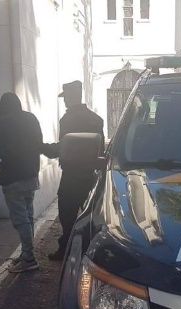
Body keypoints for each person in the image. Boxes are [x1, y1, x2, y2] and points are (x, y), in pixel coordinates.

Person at [42, 81, 105, 261]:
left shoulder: (67, 120)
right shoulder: (96, 119)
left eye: (65, 98)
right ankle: (92, 250)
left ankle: (66, 250)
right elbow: (100, 149)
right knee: (92, 216)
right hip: (91, 176)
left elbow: (62, 148)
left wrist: (41, 147)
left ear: (71, 97)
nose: (64, 102)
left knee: (67, 215)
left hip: (71, 177)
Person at [0, 93, 44, 273]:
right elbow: (39, 144)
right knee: (28, 217)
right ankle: (27, 253)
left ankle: (29, 258)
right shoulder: (31, 118)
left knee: (21, 220)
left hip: (13, 177)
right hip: (31, 175)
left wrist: (2, 166)